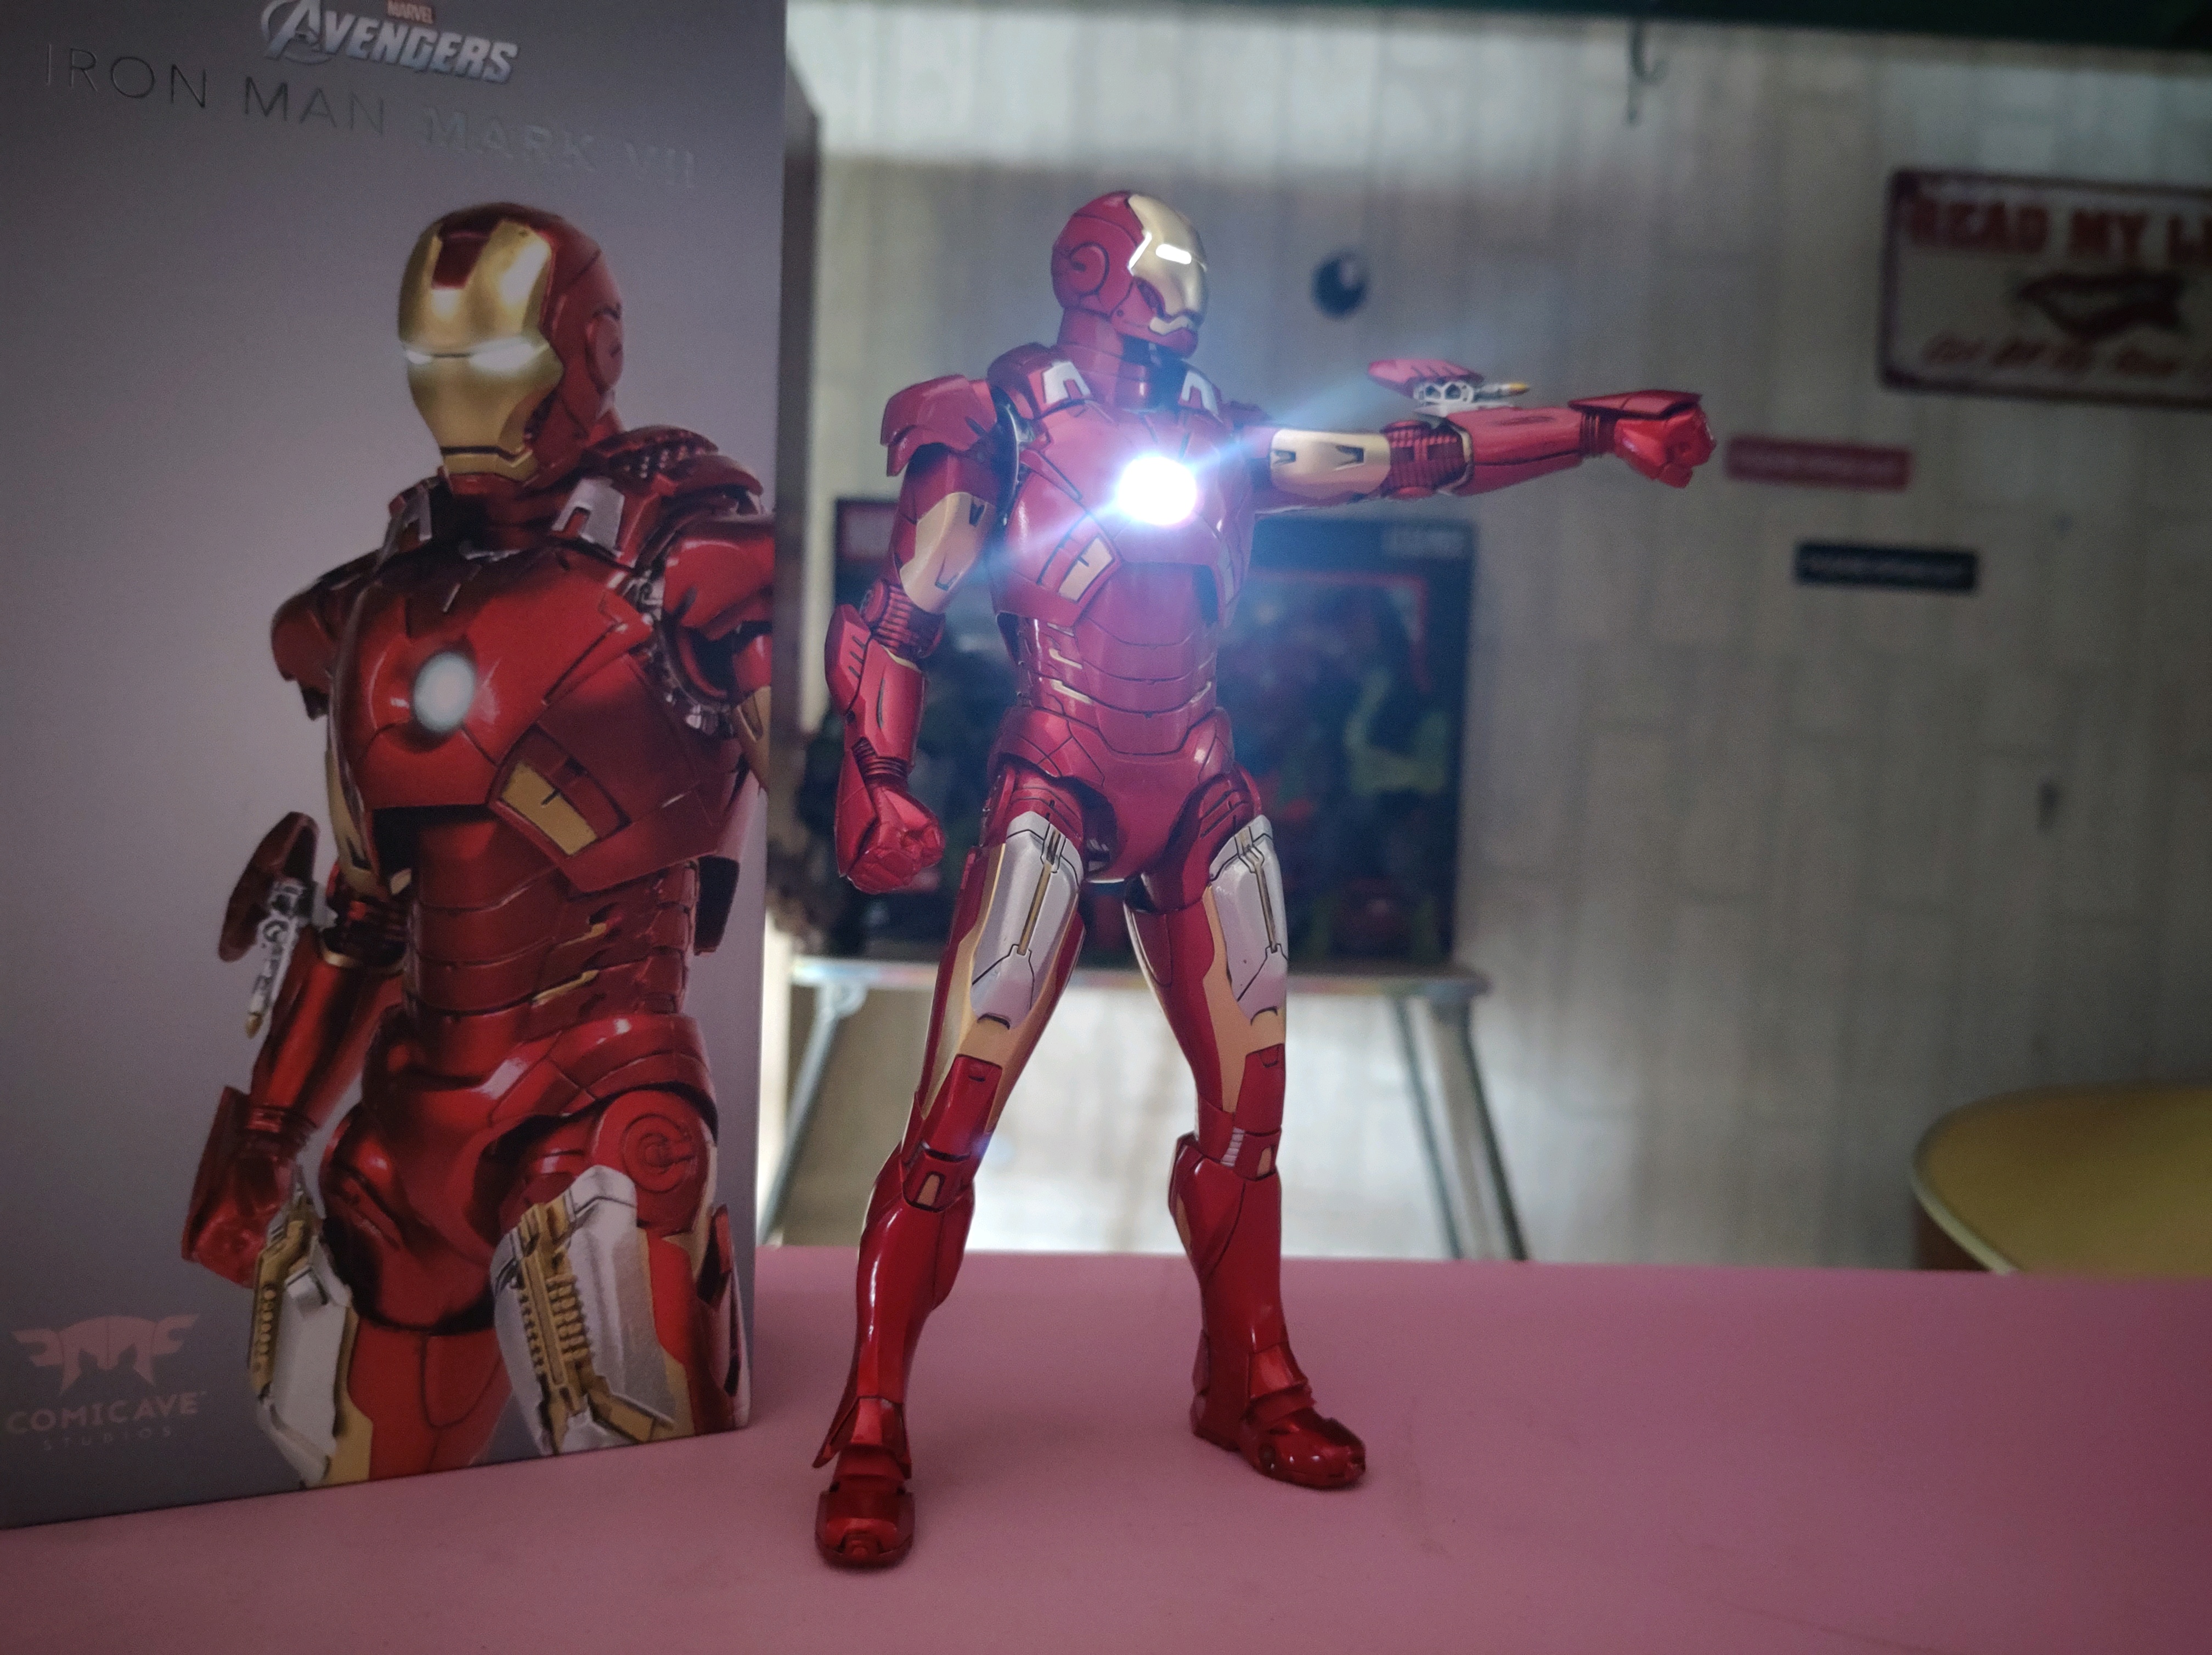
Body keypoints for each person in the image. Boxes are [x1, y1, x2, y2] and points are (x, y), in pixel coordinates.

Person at [815, 190, 1713, 1563]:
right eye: (1162, 267)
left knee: (1250, 1119)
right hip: (1055, 771)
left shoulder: (1220, 432)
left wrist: (1592, 427)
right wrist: (872, 775)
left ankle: (1250, 1376)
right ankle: (873, 1417)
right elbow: (899, 617)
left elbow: (1418, 459)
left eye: (1192, 269)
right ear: (1094, 272)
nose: (1183, 293)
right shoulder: (999, 418)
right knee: (953, 1117)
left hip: (1196, 779)